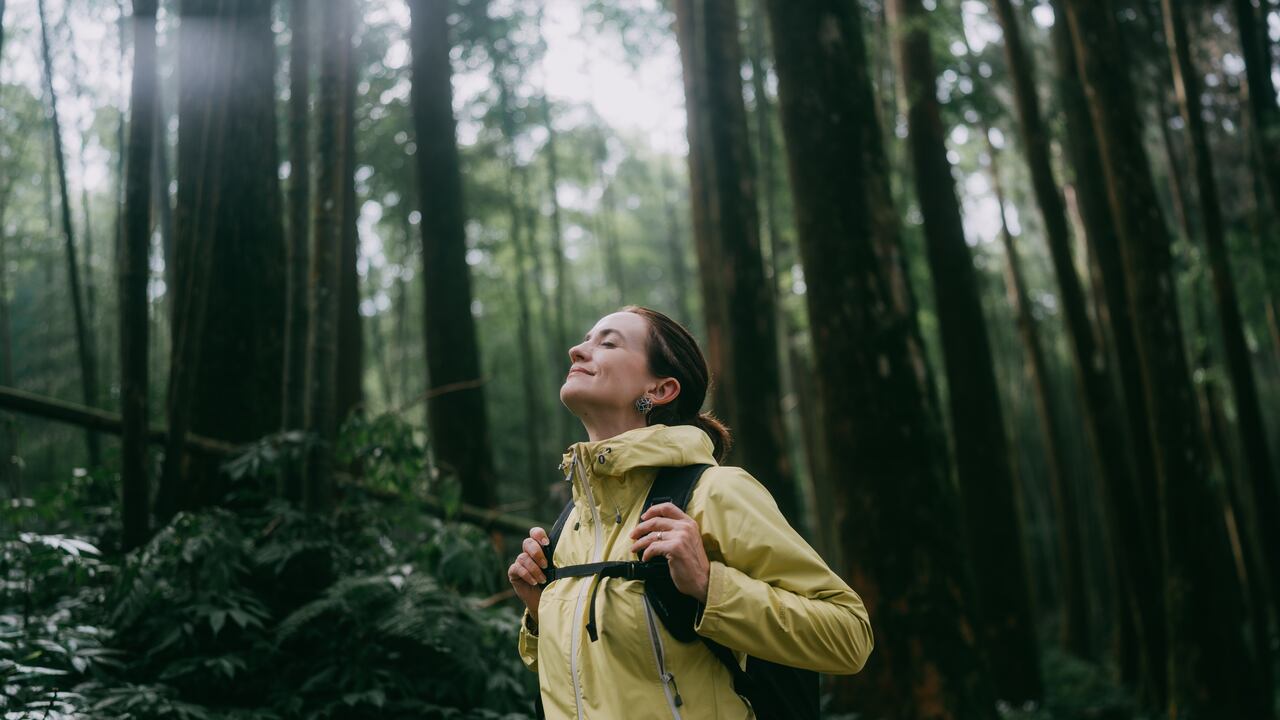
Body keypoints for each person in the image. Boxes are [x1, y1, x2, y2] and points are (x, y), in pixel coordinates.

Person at [507, 306, 873, 719]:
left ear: (661, 390)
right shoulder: (570, 522)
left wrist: (708, 585)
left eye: (607, 343)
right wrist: (542, 610)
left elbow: (849, 636)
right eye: (586, 339)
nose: (577, 350)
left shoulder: (715, 492)